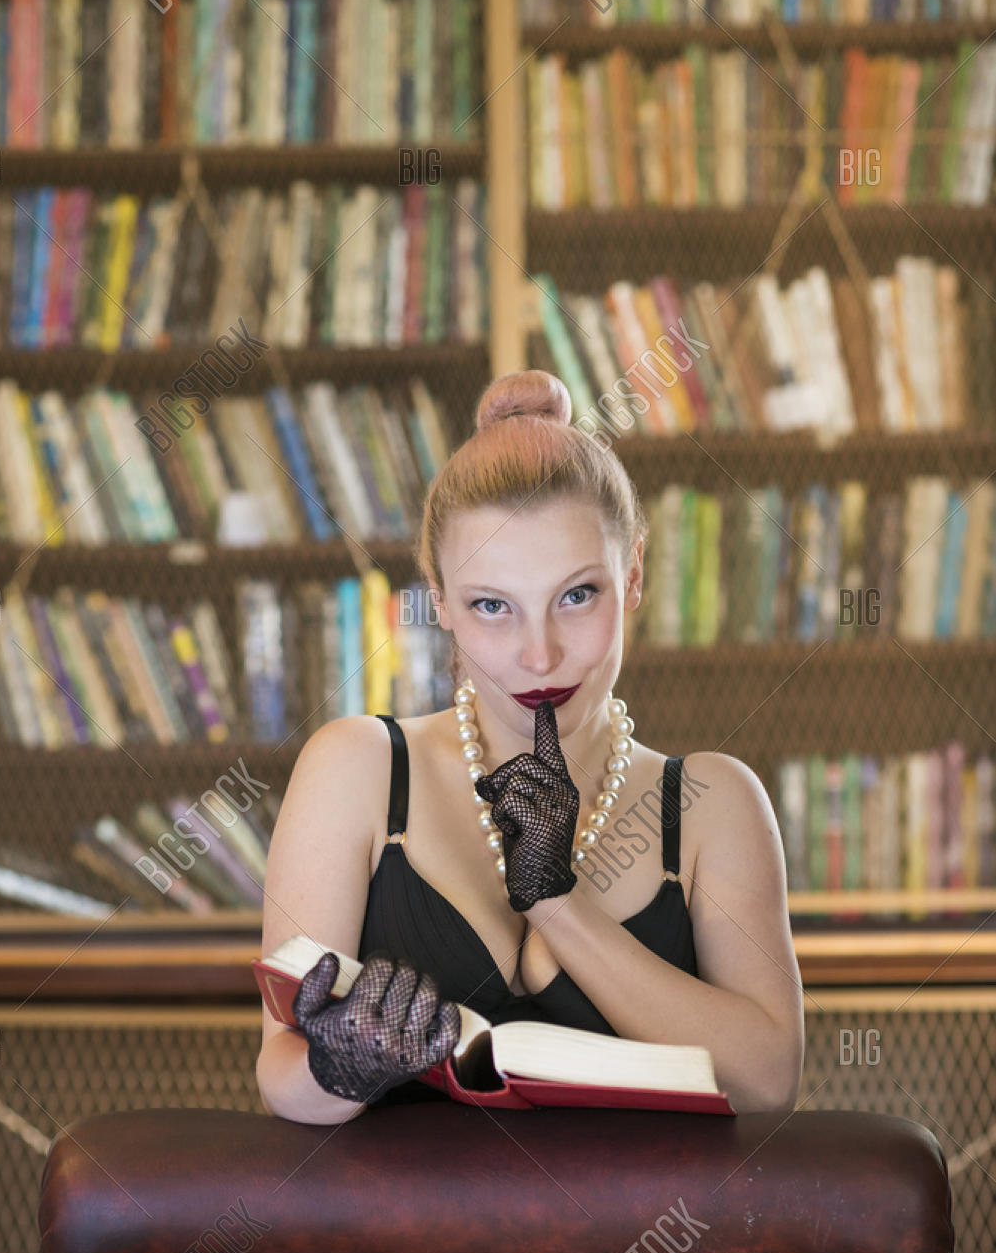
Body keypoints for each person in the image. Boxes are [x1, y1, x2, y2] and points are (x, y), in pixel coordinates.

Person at [257, 369, 804, 1123]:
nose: (539, 655)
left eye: (577, 595)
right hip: (398, 1207)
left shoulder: (714, 801)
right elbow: (279, 1075)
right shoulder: (355, 769)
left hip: (642, 1206)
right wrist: (339, 1066)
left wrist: (557, 904)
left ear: (633, 577)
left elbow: (768, 1083)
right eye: (492, 606)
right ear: (439, 601)